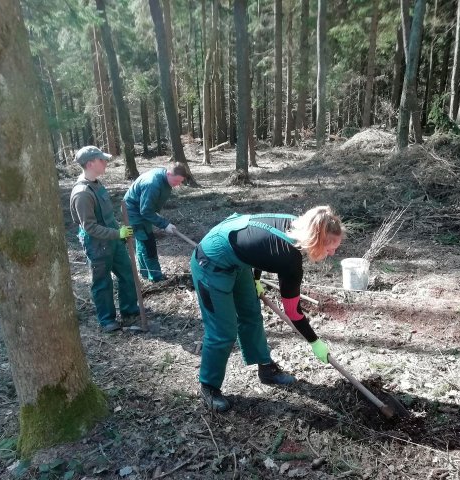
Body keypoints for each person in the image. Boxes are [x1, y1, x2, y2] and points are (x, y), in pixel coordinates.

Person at [190, 206, 344, 412]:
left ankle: (266, 368)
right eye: (329, 248)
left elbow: (259, 249)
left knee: (251, 314)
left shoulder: (297, 225)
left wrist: (255, 279)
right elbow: (293, 313)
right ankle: (209, 387)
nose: (332, 253)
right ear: (315, 240)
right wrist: (315, 342)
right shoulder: (289, 259)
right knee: (223, 332)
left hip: (238, 258)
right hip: (211, 260)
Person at [69, 145, 140, 333]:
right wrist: (118, 234)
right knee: (102, 282)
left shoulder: (97, 184)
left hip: (113, 241)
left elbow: (107, 216)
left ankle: (129, 310)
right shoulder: (82, 193)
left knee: (127, 273)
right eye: (101, 160)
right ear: (90, 164)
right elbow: (90, 227)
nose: (105, 162)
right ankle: (107, 320)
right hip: (97, 245)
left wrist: (119, 232)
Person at [123, 163, 188, 282]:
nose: (178, 184)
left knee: (142, 241)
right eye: (176, 181)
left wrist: (156, 214)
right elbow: (145, 211)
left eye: (180, 182)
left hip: (142, 209)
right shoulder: (152, 184)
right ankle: (156, 278)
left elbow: (150, 205)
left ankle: (145, 272)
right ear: (169, 174)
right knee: (148, 244)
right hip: (133, 212)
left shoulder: (165, 179)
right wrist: (164, 224)